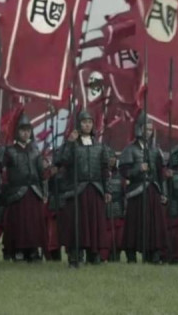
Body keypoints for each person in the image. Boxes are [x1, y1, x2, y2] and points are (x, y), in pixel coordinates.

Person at [54, 110, 112, 266]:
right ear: (78, 124)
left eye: (89, 122)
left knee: (94, 224)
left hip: (95, 189)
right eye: (84, 122)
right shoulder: (71, 144)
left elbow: (105, 170)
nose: (87, 125)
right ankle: (75, 254)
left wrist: (107, 190)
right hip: (76, 189)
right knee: (76, 224)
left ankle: (94, 254)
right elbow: (61, 161)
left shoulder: (100, 147)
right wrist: (69, 143)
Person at [119, 112, 168, 263]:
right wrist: (138, 169)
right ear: (139, 129)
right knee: (135, 224)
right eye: (146, 129)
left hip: (153, 191)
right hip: (137, 192)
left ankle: (153, 254)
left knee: (154, 224)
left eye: (150, 129)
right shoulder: (130, 149)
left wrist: (163, 192)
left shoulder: (155, 150)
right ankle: (131, 254)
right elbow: (124, 172)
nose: (148, 132)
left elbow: (161, 174)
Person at [0, 113, 47, 262]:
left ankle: (33, 250)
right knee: (18, 223)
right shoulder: (10, 151)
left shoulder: (35, 151)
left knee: (33, 223)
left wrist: (44, 192)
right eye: (22, 130)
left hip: (34, 191)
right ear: (17, 132)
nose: (26, 133)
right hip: (17, 192)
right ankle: (17, 250)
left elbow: (42, 174)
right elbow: (0, 167)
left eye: (28, 130)